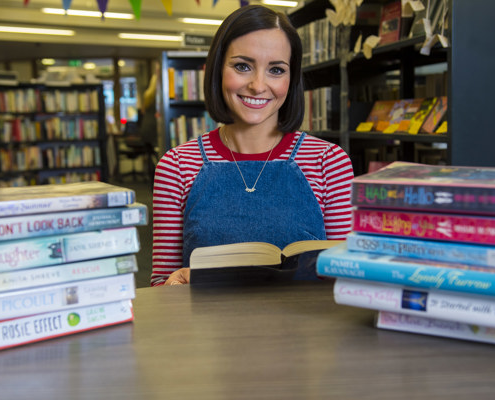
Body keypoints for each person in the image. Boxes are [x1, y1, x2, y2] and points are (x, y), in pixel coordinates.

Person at [150, 5, 354, 286]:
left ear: (291, 79)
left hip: (304, 327)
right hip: (206, 328)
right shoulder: (176, 166)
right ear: (218, 69)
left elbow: (349, 275)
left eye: (276, 69)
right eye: (242, 66)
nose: (258, 85)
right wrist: (173, 285)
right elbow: (161, 281)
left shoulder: (329, 162)